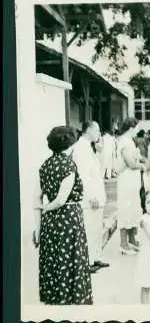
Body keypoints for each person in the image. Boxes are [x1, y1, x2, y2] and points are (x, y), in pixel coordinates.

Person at [33, 126, 93, 305]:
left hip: (50, 223)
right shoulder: (69, 165)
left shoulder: (44, 166)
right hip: (68, 218)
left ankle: (56, 300)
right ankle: (72, 301)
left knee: (54, 260)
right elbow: (60, 200)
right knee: (71, 259)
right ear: (70, 145)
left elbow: (36, 198)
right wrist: (47, 208)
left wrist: (38, 228)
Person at [71, 121, 109, 273]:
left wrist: (100, 153)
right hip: (90, 197)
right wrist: (91, 196)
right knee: (90, 229)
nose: (99, 133)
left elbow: (98, 172)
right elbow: (83, 176)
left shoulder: (89, 147)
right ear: (88, 130)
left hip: (97, 195)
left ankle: (95, 257)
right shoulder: (81, 148)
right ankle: (88, 261)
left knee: (96, 229)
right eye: (97, 130)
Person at [115, 118, 147, 255]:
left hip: (132, 182)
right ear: (130, 128)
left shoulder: (129, 141)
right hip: (126, 181)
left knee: (133, 209)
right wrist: (143, 166)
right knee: (125, 210)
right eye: (136, 128)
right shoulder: (124, 142)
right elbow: (131, 164)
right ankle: (123, 243)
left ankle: (132, 238)